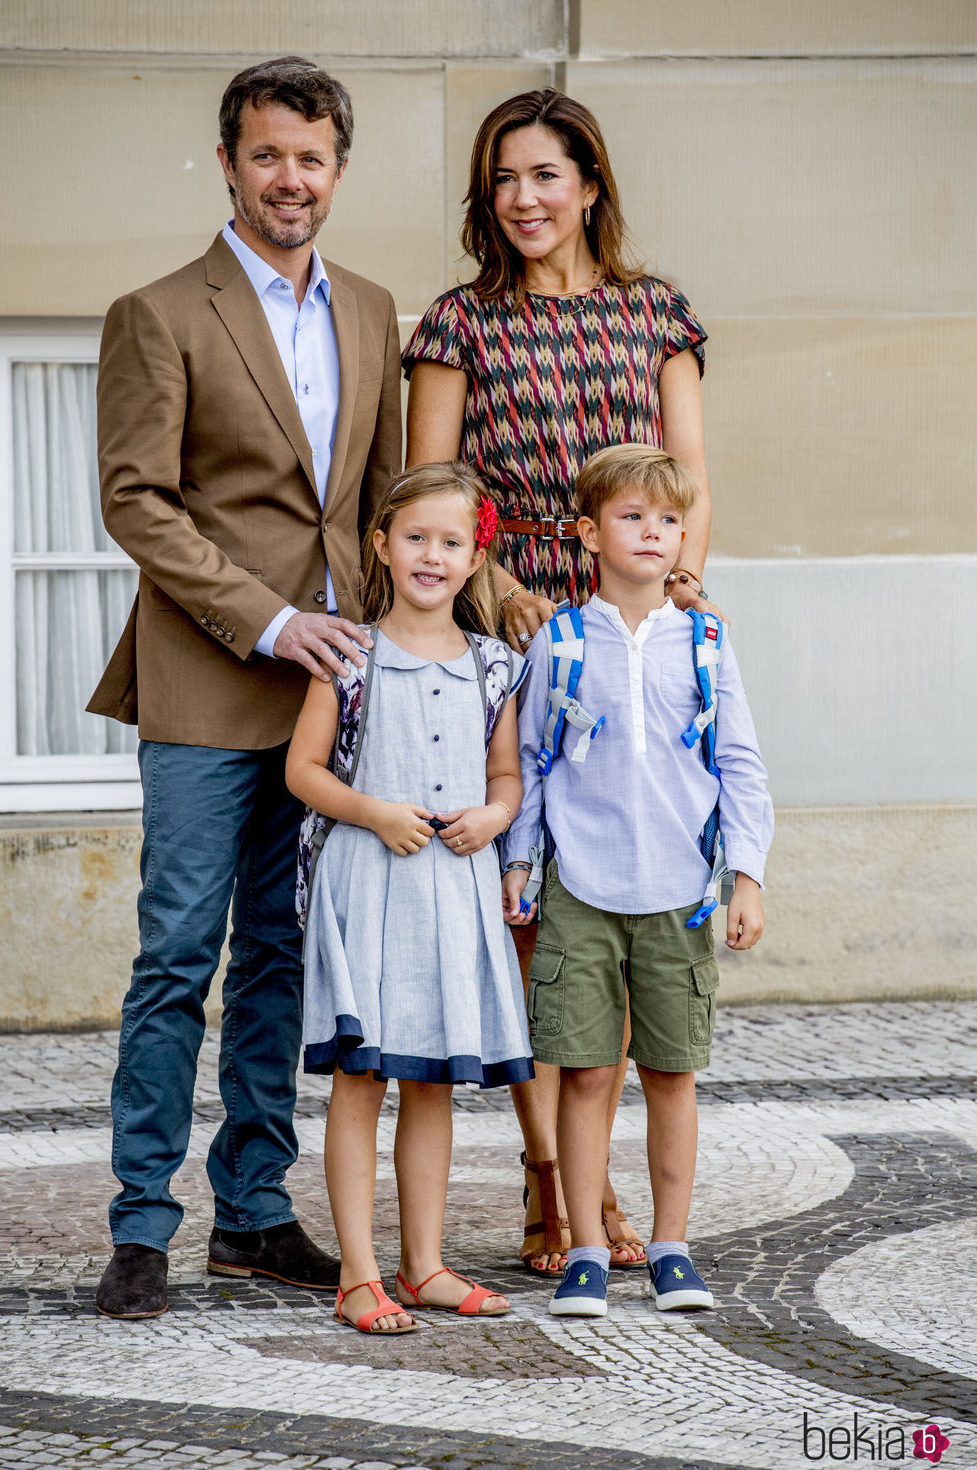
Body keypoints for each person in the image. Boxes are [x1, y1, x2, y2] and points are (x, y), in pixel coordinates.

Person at [87, 56, 402, 1319]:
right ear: (229, 161)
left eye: (312, 157)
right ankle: (142, 1226)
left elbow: (383, 503)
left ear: (337, 168)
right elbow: (136, 503)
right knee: (177, 956)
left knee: (280, 958)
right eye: (268, 155)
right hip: (209, 687)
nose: (291, 178)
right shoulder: (158, 312)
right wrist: (269, 621)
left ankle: (255, 1215)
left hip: (332, 698)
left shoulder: (376, 310)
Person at [403, 86, 718, 1274]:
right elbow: (430, 494)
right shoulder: (455, 324)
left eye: (545, 175)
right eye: (502, 179)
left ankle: (596, 1182)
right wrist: (499, 596)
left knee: (631, 899)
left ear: (589, 183)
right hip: (503, 624)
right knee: (536, 924)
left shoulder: (656, 313)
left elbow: (686, 477)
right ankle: (551, 1185)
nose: (523, 199)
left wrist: (666, 591)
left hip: (629, 623)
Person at [502, 444, 773, 1317]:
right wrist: (520, 862)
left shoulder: (706, 641)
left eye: (669, 520)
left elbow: (740, 765)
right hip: (582, 890)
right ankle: (585, 1245)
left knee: (671, 1075)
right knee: (584, 1074)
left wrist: (748, 877)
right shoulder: (561, 640)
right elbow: (534, 764)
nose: (654, 533)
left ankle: (670, 1246)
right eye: (632, 517)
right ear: (587, 533)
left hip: (681, 891)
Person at [285, 462, 532, 1334]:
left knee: (430, 1083)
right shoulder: (349, 654)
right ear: (382, 546)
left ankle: (423, 1262)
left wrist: (495, 815)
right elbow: (303, 770)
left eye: (452, 541)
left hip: (452, 890)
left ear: (475, 558)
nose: (433, 554)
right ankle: (359, 1273)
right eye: (416, 537)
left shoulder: (497, 665)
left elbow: (508, 773)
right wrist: (376, 812)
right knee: (362, 1080)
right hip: (369, 881)